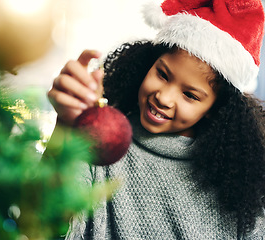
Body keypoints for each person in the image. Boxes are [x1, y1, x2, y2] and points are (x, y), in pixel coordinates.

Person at [46, 0, 265, 239]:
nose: (163, 97)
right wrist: (66, 128)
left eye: (190, 95)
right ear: (148, 63)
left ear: (216, 108)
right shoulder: (100, 143)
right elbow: (44, 220)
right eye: (162, 74)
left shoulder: (240, 183)